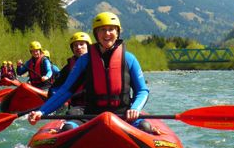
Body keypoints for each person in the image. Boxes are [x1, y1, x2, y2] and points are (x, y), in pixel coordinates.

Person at [28, 12, 159, 134]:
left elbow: (142, 90)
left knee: (145, 127)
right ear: (96, 34)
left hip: (123, 114)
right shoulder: (84, 61)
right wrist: (42, 111)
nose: (107, 33)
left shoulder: (129, 59)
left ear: (117, 32)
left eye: (111, 29)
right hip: (91, 115)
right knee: (68, 128)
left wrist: (135, 108)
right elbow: (66, 90)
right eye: (102, 29)